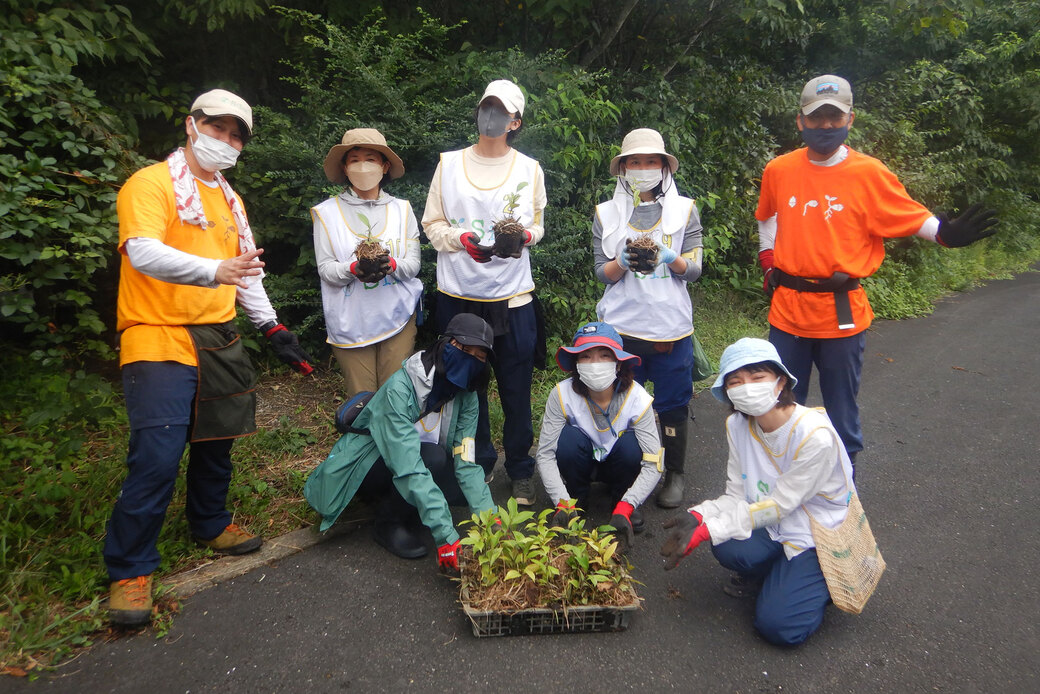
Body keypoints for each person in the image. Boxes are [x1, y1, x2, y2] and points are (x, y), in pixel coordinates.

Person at [105, 89, 313, 627]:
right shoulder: (150, 184)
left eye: (236, 134)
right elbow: (143, 251)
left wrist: (272, 327)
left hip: (218, 334)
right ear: (191, 125)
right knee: (157, 452)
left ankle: (210, 521)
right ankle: (130, 569)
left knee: (218, 440)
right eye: (217, 128)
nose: (225, 141)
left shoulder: (229, 199)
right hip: (157, 333)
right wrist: (213, 271)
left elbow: (245, 271)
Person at [756, 74, 998, 467]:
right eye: (817, 118)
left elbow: (911, 216)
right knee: (779, 406)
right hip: (787, 310)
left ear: (850, 119)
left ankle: (844, 498)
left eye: (835, 117)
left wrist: (945, 235)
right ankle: (779, 488)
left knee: (841, 412)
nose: (826, 126)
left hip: (842, 314)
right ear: (800, 121)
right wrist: (768, 264)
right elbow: (768, 217)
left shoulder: (869, 172)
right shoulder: (779, 170)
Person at [661, 338, 856, 646]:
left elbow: (779, 507)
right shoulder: (738, 425)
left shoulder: (813, 436)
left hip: (813, 532)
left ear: (780, 382)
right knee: (726, 544)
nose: (746, 386)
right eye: (735, 381)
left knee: (779, 628)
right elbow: (736, 495)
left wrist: (707, 528)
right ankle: (780, 574)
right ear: (728, 393)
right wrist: (699, 515)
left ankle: (820, 584)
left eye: (756, 377)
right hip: (772, 521)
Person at [422, 79, 547, 506]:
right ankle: (475, 463)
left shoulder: (529, 168)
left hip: (512, 297)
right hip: (459, 294)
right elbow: (432, 224)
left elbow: (539, 223)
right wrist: (461, 239)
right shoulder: (449, 164)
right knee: (465, 384)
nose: (491, 115)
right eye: (486, 106)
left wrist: (525, 236)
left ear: (516, 121)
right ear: (478, 111)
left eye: (501, 110)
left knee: (516, 387)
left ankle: (521, 469)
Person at [303, 314, 497, 572]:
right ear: (445, 344)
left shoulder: (466, 396)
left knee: (454, 483)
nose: (470, 359)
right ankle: (387, 523)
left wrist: (491, 521)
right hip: (368, 465)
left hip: (412, 459)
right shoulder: (400, 388)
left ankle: (410, 507)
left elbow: (466, 458)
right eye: (463, 348)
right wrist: (446, 537)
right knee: (432, 460)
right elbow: (408, 465)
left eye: (480, 356)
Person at [592, 128, 704, 509]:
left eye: (650, 161)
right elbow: (598, 272)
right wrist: (620, 263)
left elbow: (695, 270)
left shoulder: (685, 210)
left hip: (671, 328)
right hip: (622, 329)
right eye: (634, 162)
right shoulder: (606, 214)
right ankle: (629, 470)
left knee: (672, 405)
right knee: (623, 404)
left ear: (664, 167)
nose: (642, 168)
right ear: (622, 169)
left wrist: (672, 259)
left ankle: (674, 472)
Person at [312, 128, 422, 394]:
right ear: (345, 167)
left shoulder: (402, 209)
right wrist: (354, 269)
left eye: (371, 159)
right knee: (362, 401)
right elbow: (326, 269)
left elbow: (413, 264)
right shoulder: (326, 213)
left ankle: (391, 438)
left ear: (384, 167)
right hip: (351, 322)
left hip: (398, 316)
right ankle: (363, 437)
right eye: (354, 159)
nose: (363, 166)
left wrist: (391, 265)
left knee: (394, 397)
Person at [535, 322, 662, 548]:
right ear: (576, 363)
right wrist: (561, 502)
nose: (595, 364)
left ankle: (621, 501)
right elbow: (545, 454)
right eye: (586, 356)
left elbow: (654, 462)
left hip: (620, 464)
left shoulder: (637, 398)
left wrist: (628, 505)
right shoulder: (561, 394)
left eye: (605, 355)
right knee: (567, 441)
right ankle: (575, 499)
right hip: (583, 461)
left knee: (632, 446)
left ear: (618, 363)